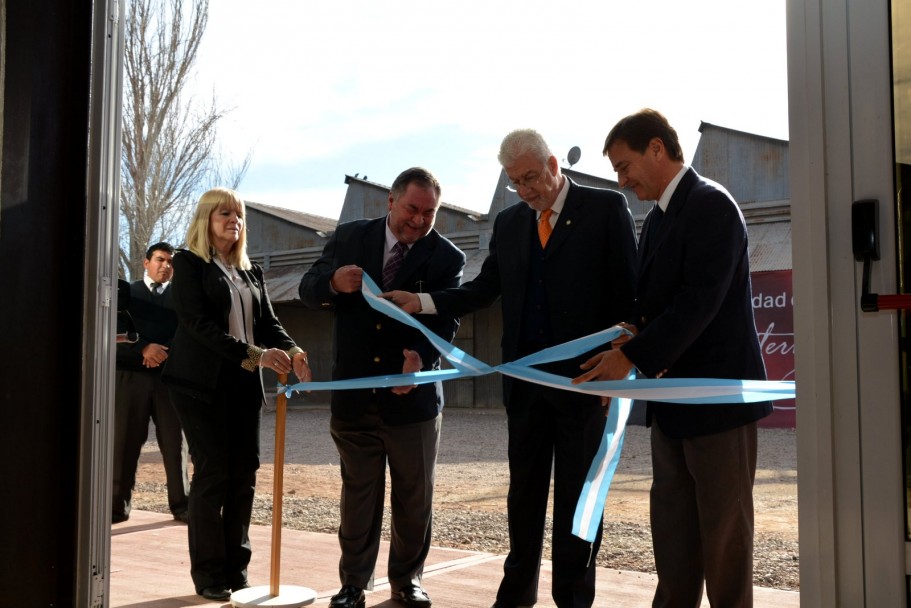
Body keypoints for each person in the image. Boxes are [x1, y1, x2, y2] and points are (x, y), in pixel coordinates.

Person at [385, 130, 638, 608]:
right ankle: (516, 595)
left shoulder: (605, 210)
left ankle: (573, 597)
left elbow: (629, 292)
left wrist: (622, 364)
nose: (525, 190)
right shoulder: (509, 224)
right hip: (525, 388)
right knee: (523, 497)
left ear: (552, 163)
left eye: (530, 178)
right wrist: (421, 301)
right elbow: (484, 289)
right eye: (515, 182)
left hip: (586, 383)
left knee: (577, 502)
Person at [573, 108, 773, 608]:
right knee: (674, 534)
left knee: (725, 540)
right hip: (672, 408)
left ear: (657, 148)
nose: (621, 180)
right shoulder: (659, 218)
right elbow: (658, 303)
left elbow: (699, 301)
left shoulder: (711, 205)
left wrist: (634, 357)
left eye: (624, 166)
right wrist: (631, 331)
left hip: (718, 407)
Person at [298, 167, 465, 608]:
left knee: (414, 498)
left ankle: (407, 581)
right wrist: (333, 283)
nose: (419, 220)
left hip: (414, 403)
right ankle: (353, 584)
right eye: (412, 209)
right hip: (354, 399)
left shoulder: (447, 258)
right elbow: (307, 288)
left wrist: (420, 358)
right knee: (359, 497)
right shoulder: (349, 237)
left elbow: (446, 321)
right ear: (390, 202)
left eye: (429, 213)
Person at [161, 187, 312, 602]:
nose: (234, 220)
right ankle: (209, 575)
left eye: (239, 214)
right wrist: (257, 355)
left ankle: (236, 569)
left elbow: (268, 323)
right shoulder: (188, 264)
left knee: (244, 476)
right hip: (199, 386)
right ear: (206, 219)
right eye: (225, 213)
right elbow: (197, 326)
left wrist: (295, 350)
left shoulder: (250, 271)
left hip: (245, 383)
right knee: (213, 477)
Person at [112, 242, 189, 524]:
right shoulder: (127, 293)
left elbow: (187, 332)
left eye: (170, 262)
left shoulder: (182, 297)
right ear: (146, 262)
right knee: (124, 442)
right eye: (160, 259)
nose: (166, 265)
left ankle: (182, 505)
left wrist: (160, 353)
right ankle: (117, 507)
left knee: (175, 443)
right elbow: (113, 330)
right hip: (130, 377)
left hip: (169, 378)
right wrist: (144, 347)